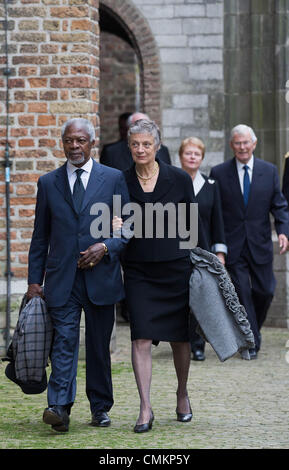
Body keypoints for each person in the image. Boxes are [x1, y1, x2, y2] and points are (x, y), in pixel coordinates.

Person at [27, 118, 130, 432]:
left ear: (91, 143)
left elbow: (129, 226)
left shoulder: (113, 178)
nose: (74, 146)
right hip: (62, 280)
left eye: (80, 140)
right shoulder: (48, 182)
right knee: (64, 344)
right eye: (69, 140)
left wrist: (106, 247)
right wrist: (34, 281)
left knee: (98, 347)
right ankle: (59, 406)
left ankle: (100, 408)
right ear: (63, 143)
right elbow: (40, 236)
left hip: (102, 278)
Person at [117, 118, 205, 433]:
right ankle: (145, 407)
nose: (141, 149)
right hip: (139, 269)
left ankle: (182, 393)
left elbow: (193, 227)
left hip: (176, 268)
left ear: (157, 146)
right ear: (129, 147)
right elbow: (113, 224)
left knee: (180, 338)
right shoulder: (120, 181)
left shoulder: (179, 179)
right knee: (140, 335)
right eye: (135, 144)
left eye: (146, 144)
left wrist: (206, 267)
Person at [210, 124, 289, 359]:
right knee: (242, 292)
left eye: (246, 142)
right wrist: (219, 247)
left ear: (254, 144)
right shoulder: (219, 172)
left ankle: (251, 329)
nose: (242, 147)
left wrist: (284, 231)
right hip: (233, 245)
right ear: (231, 145)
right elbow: (217, 214)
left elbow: (280, 205)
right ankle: (251, 340)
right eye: (237, 143)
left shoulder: (270, 170)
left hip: (260, 243)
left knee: (265, 291)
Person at [179, 136, 227, 361]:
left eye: (196, 154)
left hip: (203, 251)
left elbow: (218, 221)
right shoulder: (172, 183)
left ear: (202, 158)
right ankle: (182, 342)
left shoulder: (210, 186)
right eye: (188, 153)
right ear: (181, 157)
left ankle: (198, 344)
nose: (192, 157)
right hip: (177, 250)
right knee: (181, 298)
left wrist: (219, 253)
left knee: (201, 298)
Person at [100, 112, 171, 170]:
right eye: (137, 127)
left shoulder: (163, 150)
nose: (140, 150)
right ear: (128, 129)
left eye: (145, 127)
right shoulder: (111, 152)